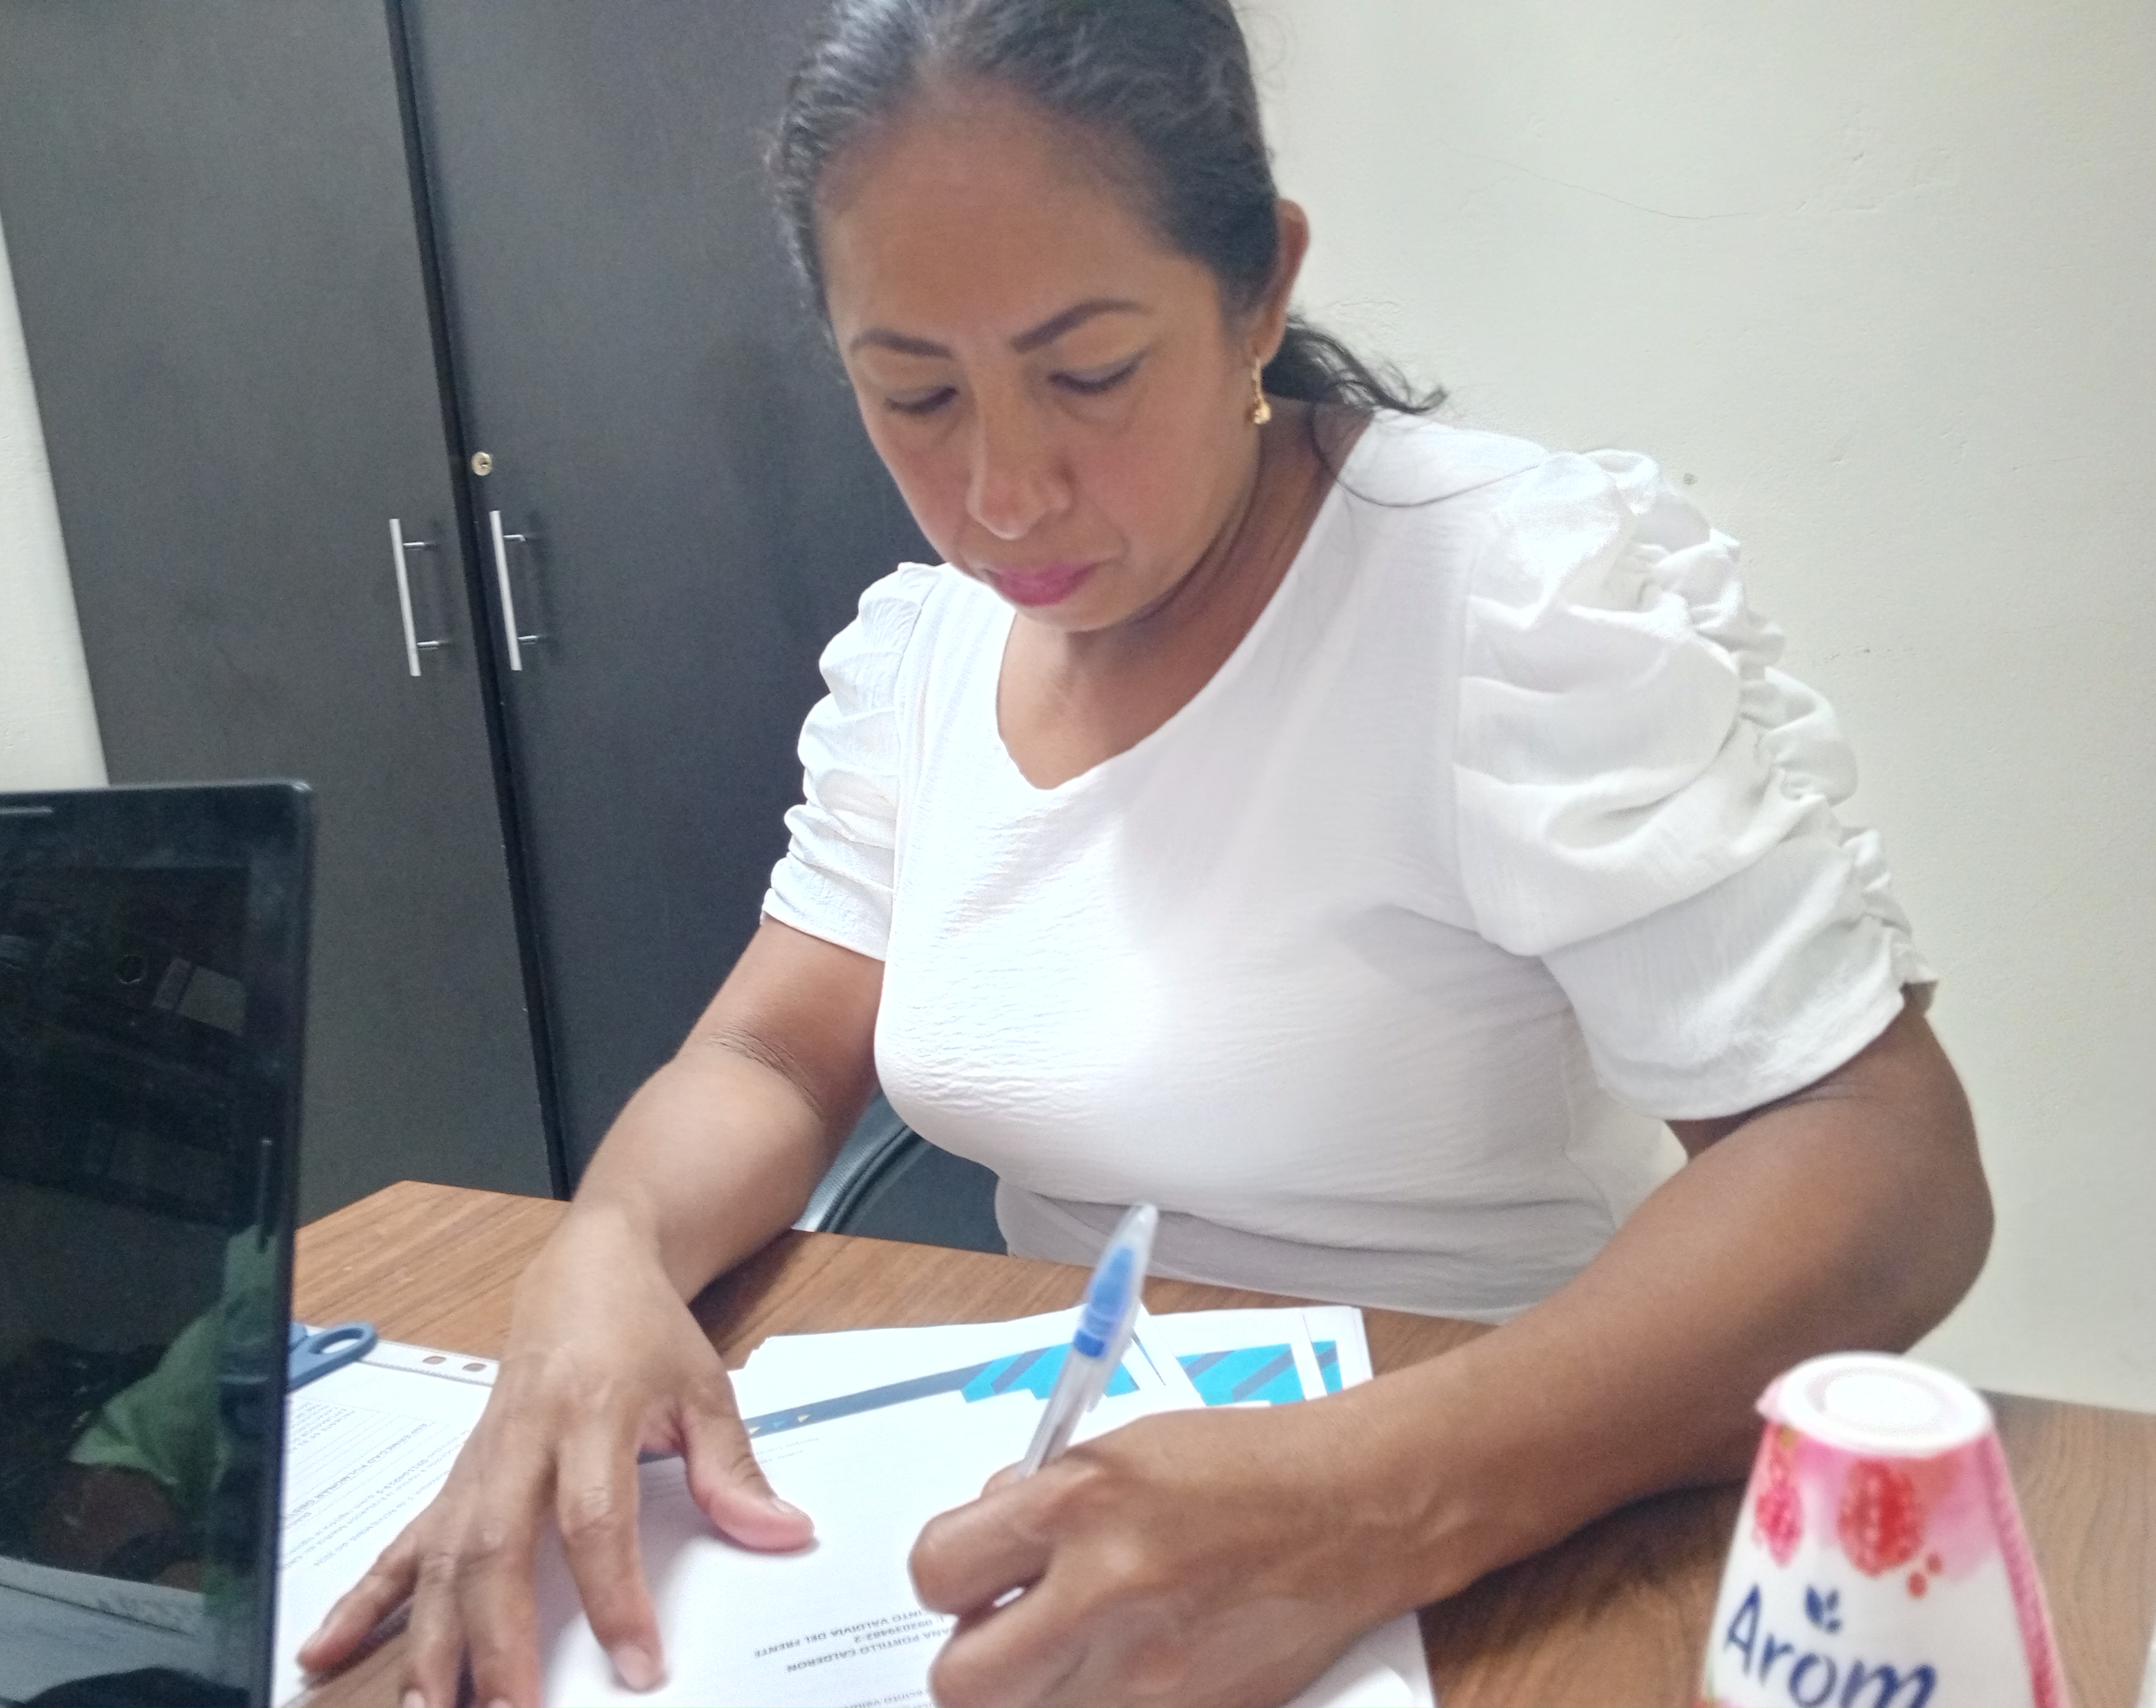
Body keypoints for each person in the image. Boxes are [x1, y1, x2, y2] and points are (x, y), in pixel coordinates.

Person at [298, 2, 1991, 1704]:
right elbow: (767, 1054)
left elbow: (1880, 1165)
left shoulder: (1505, 592)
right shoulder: (926, 652)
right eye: (914, 393)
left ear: (1260, 287)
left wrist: (1371, 1500)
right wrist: (605, 1248)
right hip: (1069, 1493)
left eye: (1091, 374)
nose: (1003, 494)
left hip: (1512, 1522)